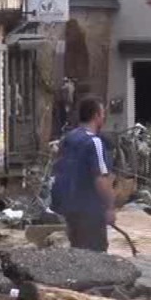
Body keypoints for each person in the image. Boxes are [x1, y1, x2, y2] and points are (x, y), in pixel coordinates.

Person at [50, 97, 115, 252]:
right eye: (103, 114)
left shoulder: (68, 138)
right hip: (90, 210)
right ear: (97, 115)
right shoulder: (94, 142)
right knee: (95, 253)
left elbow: (58, 168)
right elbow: (101, 179)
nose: (103, 118)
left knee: (78, 252)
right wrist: (110, 208)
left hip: (69, 208)